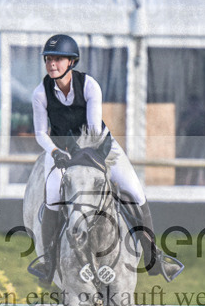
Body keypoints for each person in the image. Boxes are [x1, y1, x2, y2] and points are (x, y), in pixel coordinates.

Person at [27, 34, 181, 283]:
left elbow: (93, 130)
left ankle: (154, 257)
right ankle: (48, 260)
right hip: (60, 151)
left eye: (57, 59)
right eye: (48, 59)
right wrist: (56, 153)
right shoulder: (40, 94)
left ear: (71, 62)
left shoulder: (89, 86)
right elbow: (40, 133)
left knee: (134, 190)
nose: (52, 64)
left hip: (98, 147)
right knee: (54, 196)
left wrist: (84, 159)